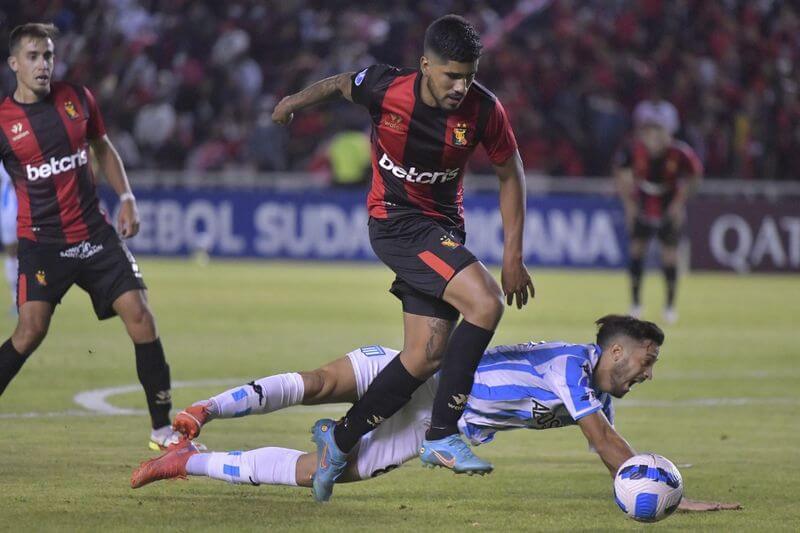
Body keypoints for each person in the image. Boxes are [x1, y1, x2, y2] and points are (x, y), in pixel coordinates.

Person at [271, 14, 534, 501]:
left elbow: (510, 172)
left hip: (442, 228)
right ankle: (442, 435)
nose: (461, 86)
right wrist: (292, 102)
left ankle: (339, 441)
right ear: (425, 66)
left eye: (470, 75)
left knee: (424, 355)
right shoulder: (385, 88)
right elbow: (337, 84)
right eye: (452, 75)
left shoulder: (483, 110)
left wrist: (513, 254)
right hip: (395, 221)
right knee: (486, 303)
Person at [130, 315, 740, 513]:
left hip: (431, 424)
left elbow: (611, 450)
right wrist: (663, 489)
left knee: (328, 473)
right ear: (616, 351)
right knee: (321, 382)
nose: (648, 373)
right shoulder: (572, 370)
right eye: (646, 360)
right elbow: (609, 447)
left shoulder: (596, 394)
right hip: (422, 370)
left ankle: (188, 461)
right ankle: (202, 411)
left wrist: (663, 490)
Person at [0, 23, 183, 450]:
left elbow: (102, 147)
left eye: (48, 55)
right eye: (33, 56)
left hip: (95, 233)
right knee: (30, 331)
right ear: (14, 64)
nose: (43, 64)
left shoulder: (77, 98)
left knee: (141, 315)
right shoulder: (5, 122)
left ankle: (163, 431)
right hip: (42, 242)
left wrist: (127, 197)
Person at [614, 98, 703, 324]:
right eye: (649, 131)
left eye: (658, 131)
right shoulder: (632, 151)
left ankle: (670, 306)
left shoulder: (680, 153)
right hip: (643, 201)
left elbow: (695, 175)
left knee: (670, 255)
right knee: (636, 251)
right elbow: (622, 176)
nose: (654, 137)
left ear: (668, 133)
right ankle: (635, 304)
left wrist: (679, 203)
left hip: (668, 201)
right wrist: (630, 206)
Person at [0, 161, 18, 315]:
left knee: (30, 249)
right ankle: (15, 297)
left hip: (29, 197)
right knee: (11, 250)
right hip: (7, 203)